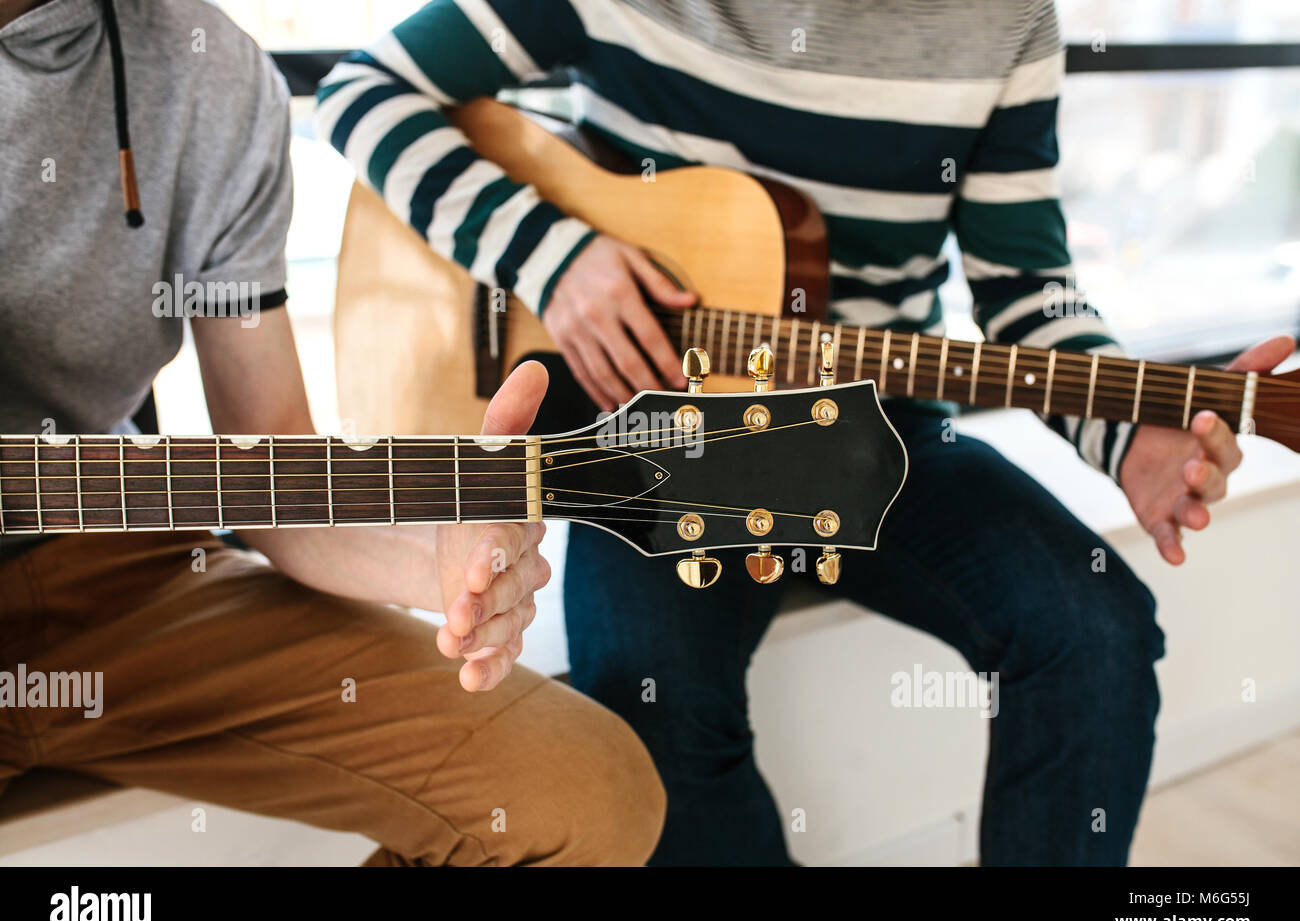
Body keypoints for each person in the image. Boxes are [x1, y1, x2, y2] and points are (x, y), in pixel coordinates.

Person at [318, 0, 1294, 864]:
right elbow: (362, 89)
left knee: (1096, 629)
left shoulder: (1005, 21)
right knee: (648, 703)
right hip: (650, 429)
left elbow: (1024, 293)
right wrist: (553, 257)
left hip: (875, 419)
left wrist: (1129, 434)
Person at [0, 0, 665, 866]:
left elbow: (272, 457)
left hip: (100, 564)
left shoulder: (208, 69)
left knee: (585, 793)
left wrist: (434, 553)